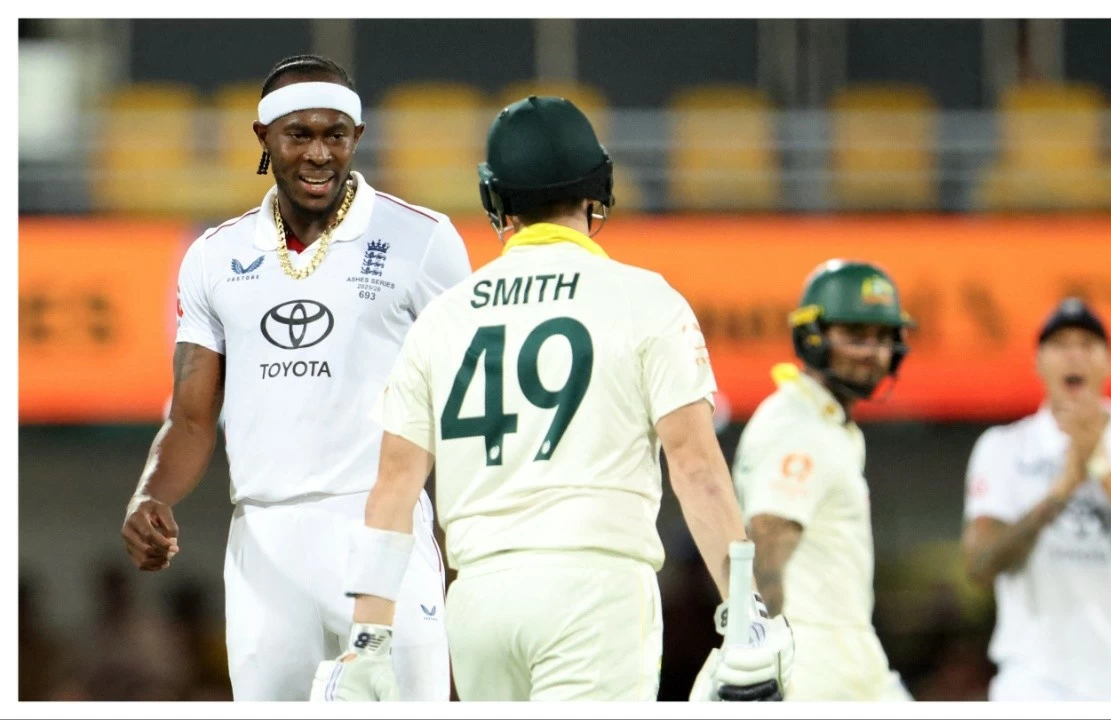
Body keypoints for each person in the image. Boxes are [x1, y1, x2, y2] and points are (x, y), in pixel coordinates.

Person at [311, 95, 793, 702]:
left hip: (480, 600)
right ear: (599, 187)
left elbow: (393, 490)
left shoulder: (441, 317)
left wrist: (369, 638)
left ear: (496, 198)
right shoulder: (645, 299)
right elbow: (695, 468)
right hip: (596, 587)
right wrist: (745, 611)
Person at [119, 54, 471, 701]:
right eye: (299, 135)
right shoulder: (215, 255)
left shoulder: (422, 239)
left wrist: (468, 541)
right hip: (264, 540)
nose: (318, 154)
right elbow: (193, 416)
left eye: (335, 135)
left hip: (384, 532)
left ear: (356, 138)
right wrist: (150, 495)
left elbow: (465, 403)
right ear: (263, 138)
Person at [961, 297, 1111, 701]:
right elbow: (980, 565)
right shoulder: (1003, 447)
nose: (1074, 355)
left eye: (1088, 345)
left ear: (1110, 363)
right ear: (1038, 363)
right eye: (1060, 345)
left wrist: (1102, 470)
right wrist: (1061, 489)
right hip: (1034, 687)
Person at [722, 259, 915, 701]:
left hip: (839, 658)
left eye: (884, 337)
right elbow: (766, 541)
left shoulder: (822, 422)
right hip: (814, 664)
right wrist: (758, 658)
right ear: (812, 337)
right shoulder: (800, 425)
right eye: (856, 335)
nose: (873, 352)